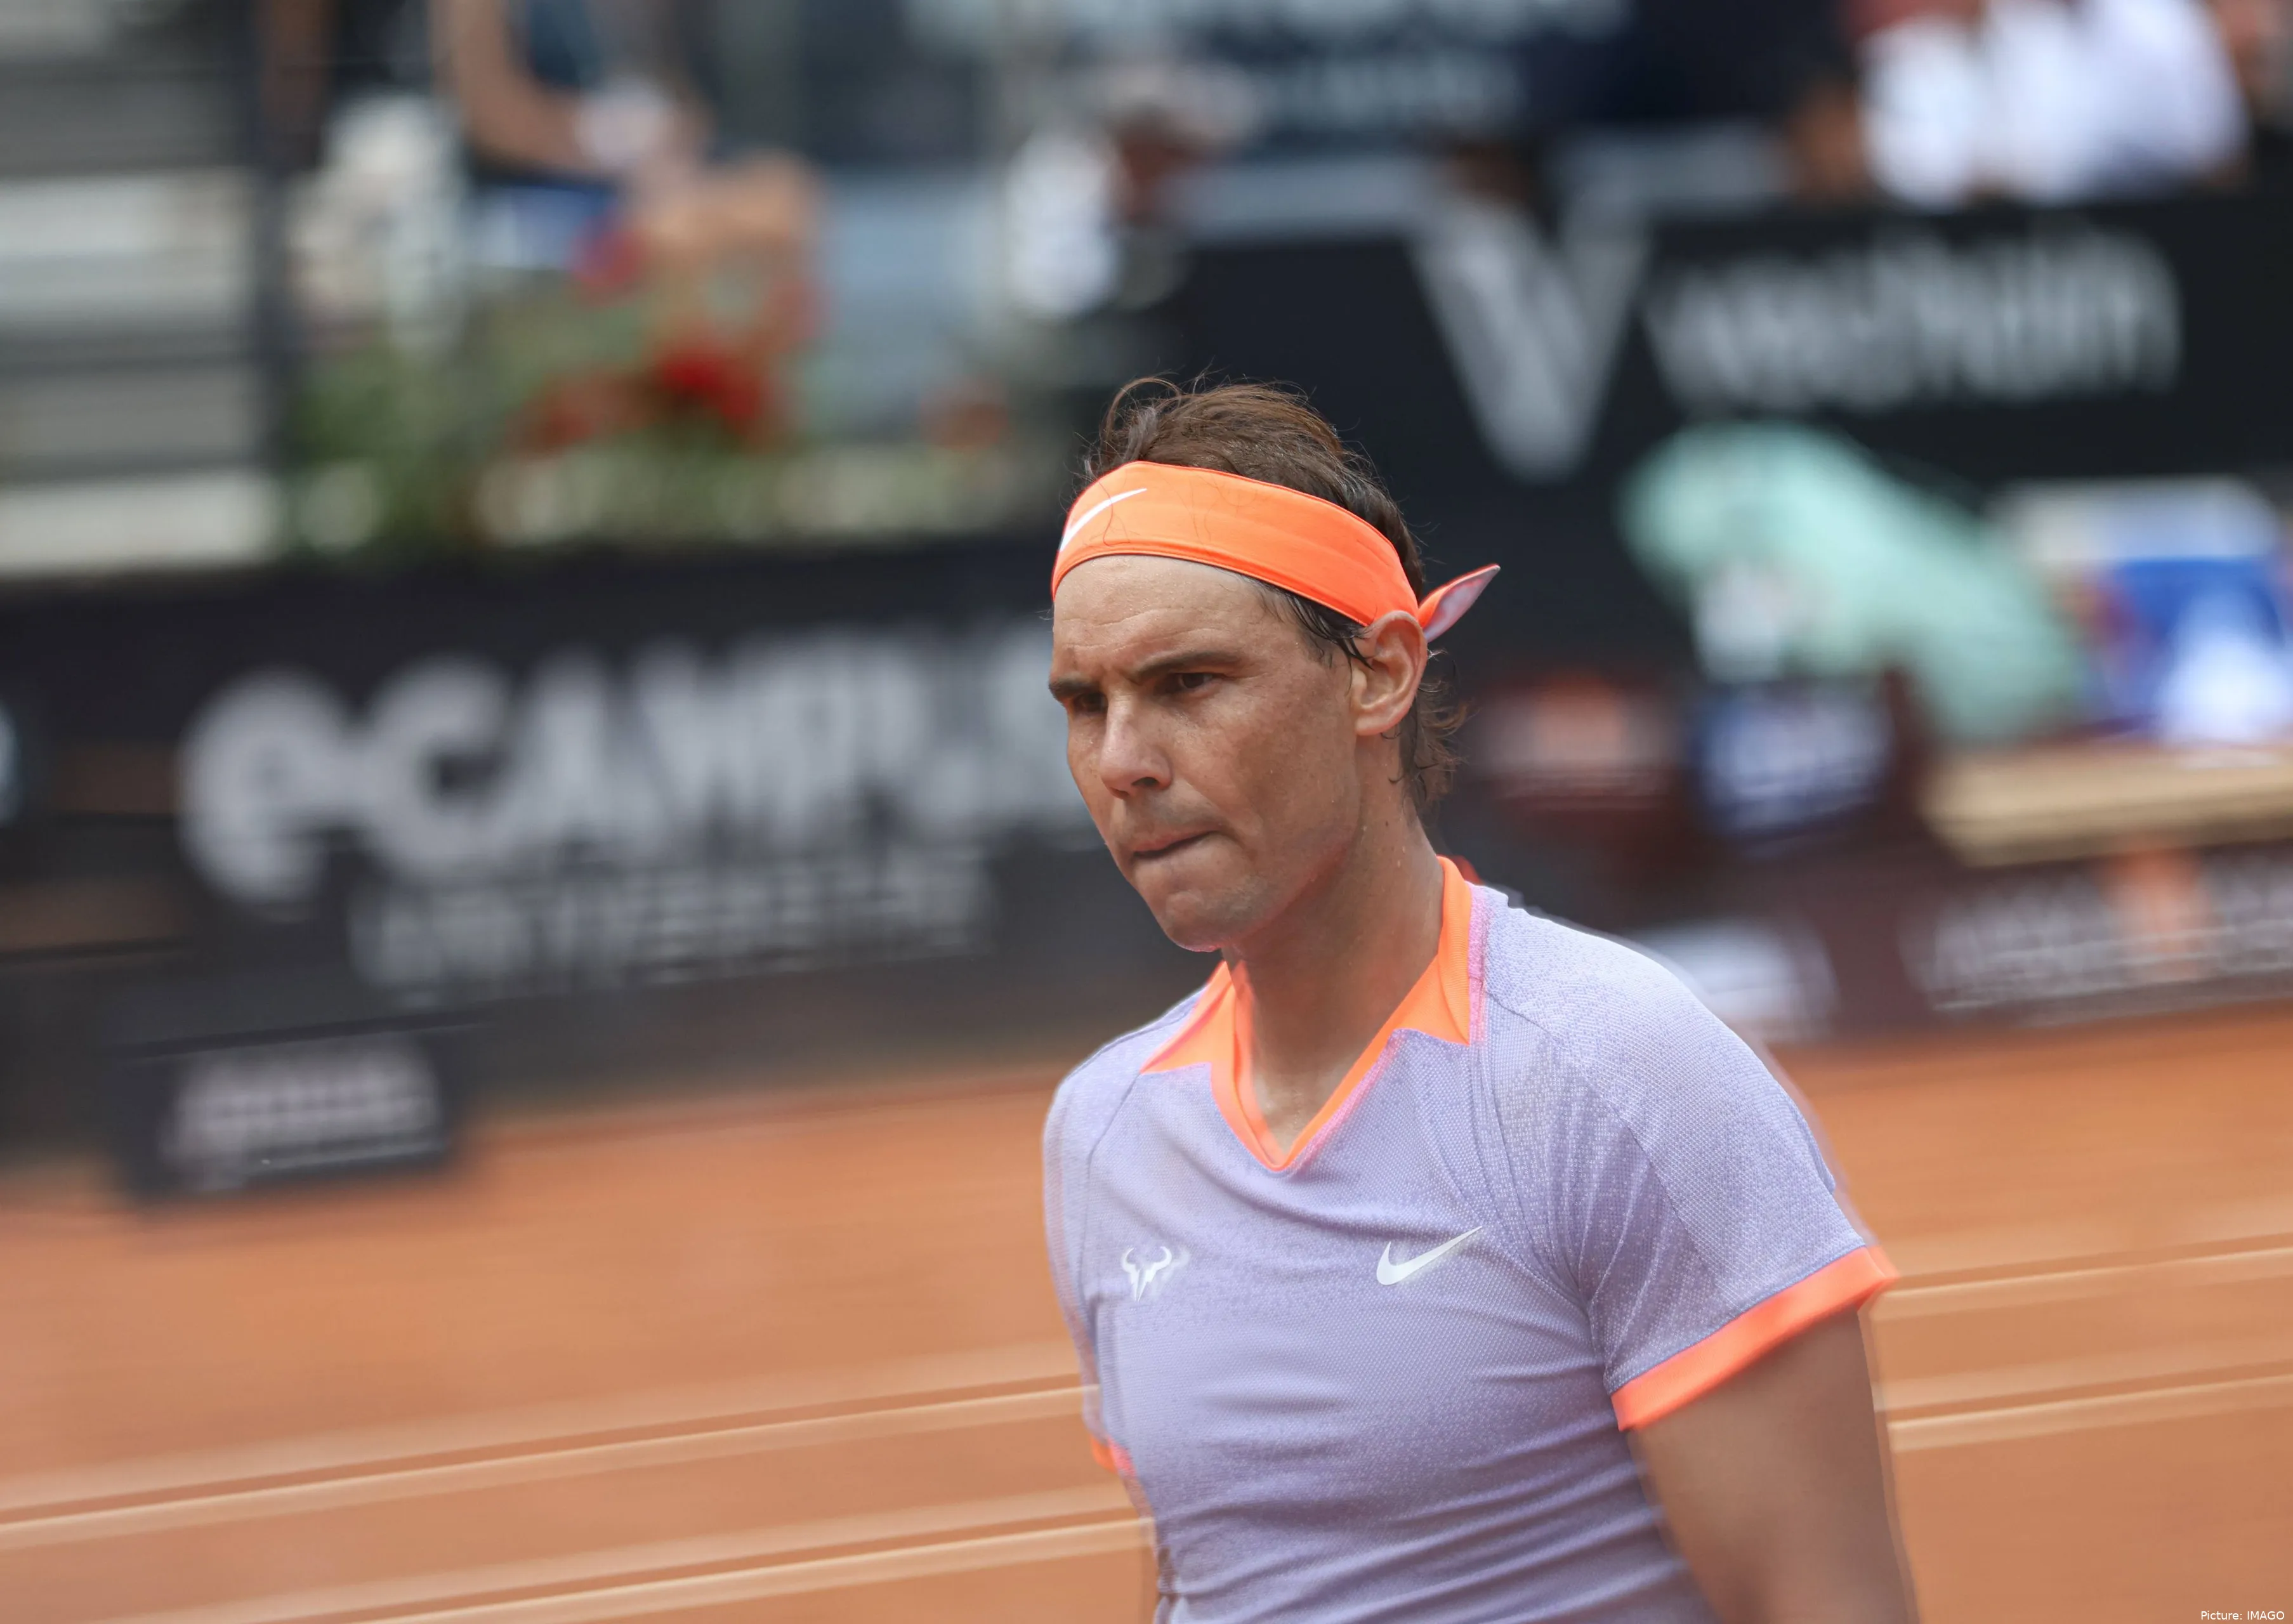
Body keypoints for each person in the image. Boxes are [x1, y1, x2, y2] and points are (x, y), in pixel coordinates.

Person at [1042, 380, 1915, 1623]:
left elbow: (1824, 1601)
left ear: (1378, 673)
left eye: (1188, 683)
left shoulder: (1620, 1073)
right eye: (1086, 703)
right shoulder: (1102, 1132)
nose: (1124, 760)